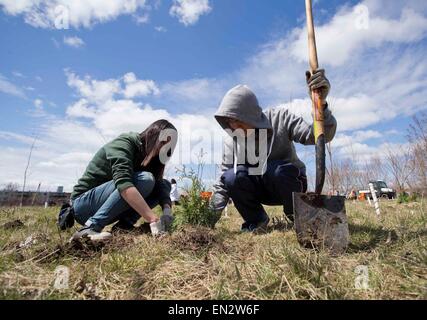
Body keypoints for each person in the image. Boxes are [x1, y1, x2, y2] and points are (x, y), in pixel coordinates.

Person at [211, 69, 337, 233]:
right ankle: (256, 220)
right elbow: (223, 183)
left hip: (289, 182)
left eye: (239, 122)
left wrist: (321, 104)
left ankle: (299, 217)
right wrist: (207, 218)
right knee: (231, 175)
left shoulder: (280, 118)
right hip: (261, 191)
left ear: (251, 115)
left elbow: (319, 137)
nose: (235, 129)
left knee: (277, 169)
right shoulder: (232, 141)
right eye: (230, 124)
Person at [68, 120, 177, 241]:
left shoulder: (151, 159)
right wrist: (152, 219)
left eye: (168, 146)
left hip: (108, 207)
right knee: (145, 179)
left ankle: (123, 226)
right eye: (163, 143)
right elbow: (123, 183)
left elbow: (160, 186)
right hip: (83, 206)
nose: (164, 149)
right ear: (154, 135)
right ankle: (89, 228)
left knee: (163, 184)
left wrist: (167, 211)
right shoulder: (125, 142)